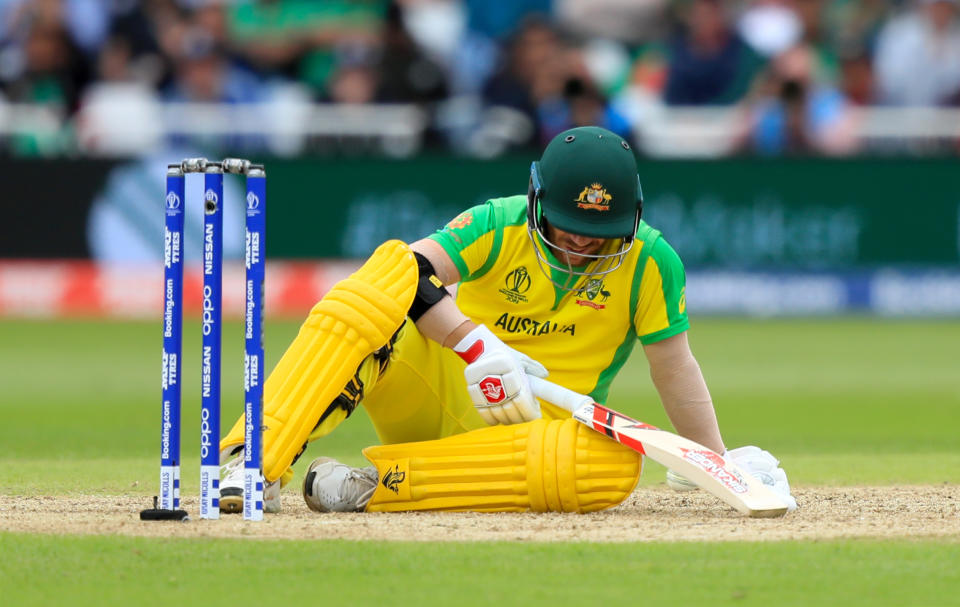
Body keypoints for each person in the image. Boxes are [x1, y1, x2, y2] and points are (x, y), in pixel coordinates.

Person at [217, 125, 797, 515]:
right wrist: (476, 346)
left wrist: (715, 459)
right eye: (567, 227)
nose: (578, 248)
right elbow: (405, 272)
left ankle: (370, 487)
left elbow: (674, 366)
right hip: (442, 394)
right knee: (380, 280)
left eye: (597, 237)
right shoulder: (498, 222)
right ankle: (254, 460)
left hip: (529, 443)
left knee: (613, 465)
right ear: (538, 200)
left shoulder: (651, 261)